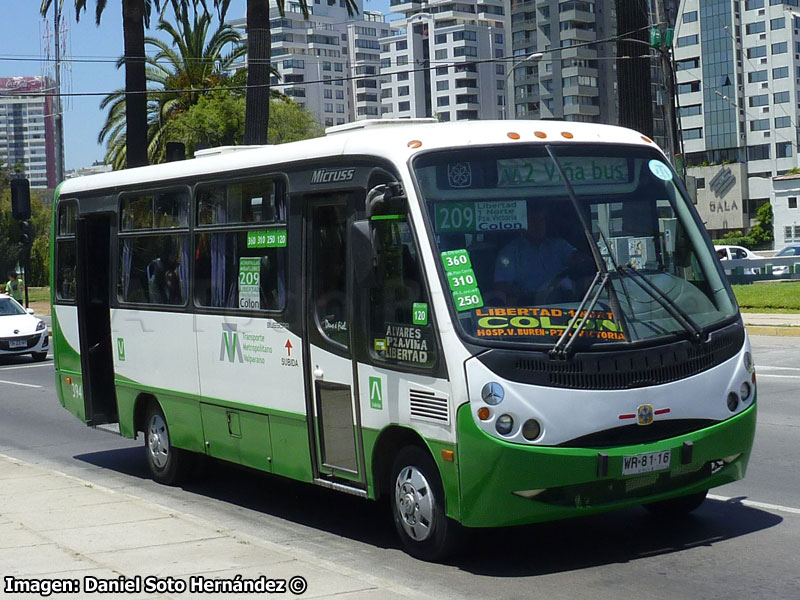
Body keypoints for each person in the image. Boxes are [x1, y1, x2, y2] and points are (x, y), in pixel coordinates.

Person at [493, 203, 579, 303]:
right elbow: (501, 285)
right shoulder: (509, 253)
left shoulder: (559, 245)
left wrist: (579, 261)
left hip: (569, 302)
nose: (538, 225)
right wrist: (526, 296)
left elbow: (578, 259)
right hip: (530, 306)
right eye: (533, 221)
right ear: (523, 224)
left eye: (541, 220)